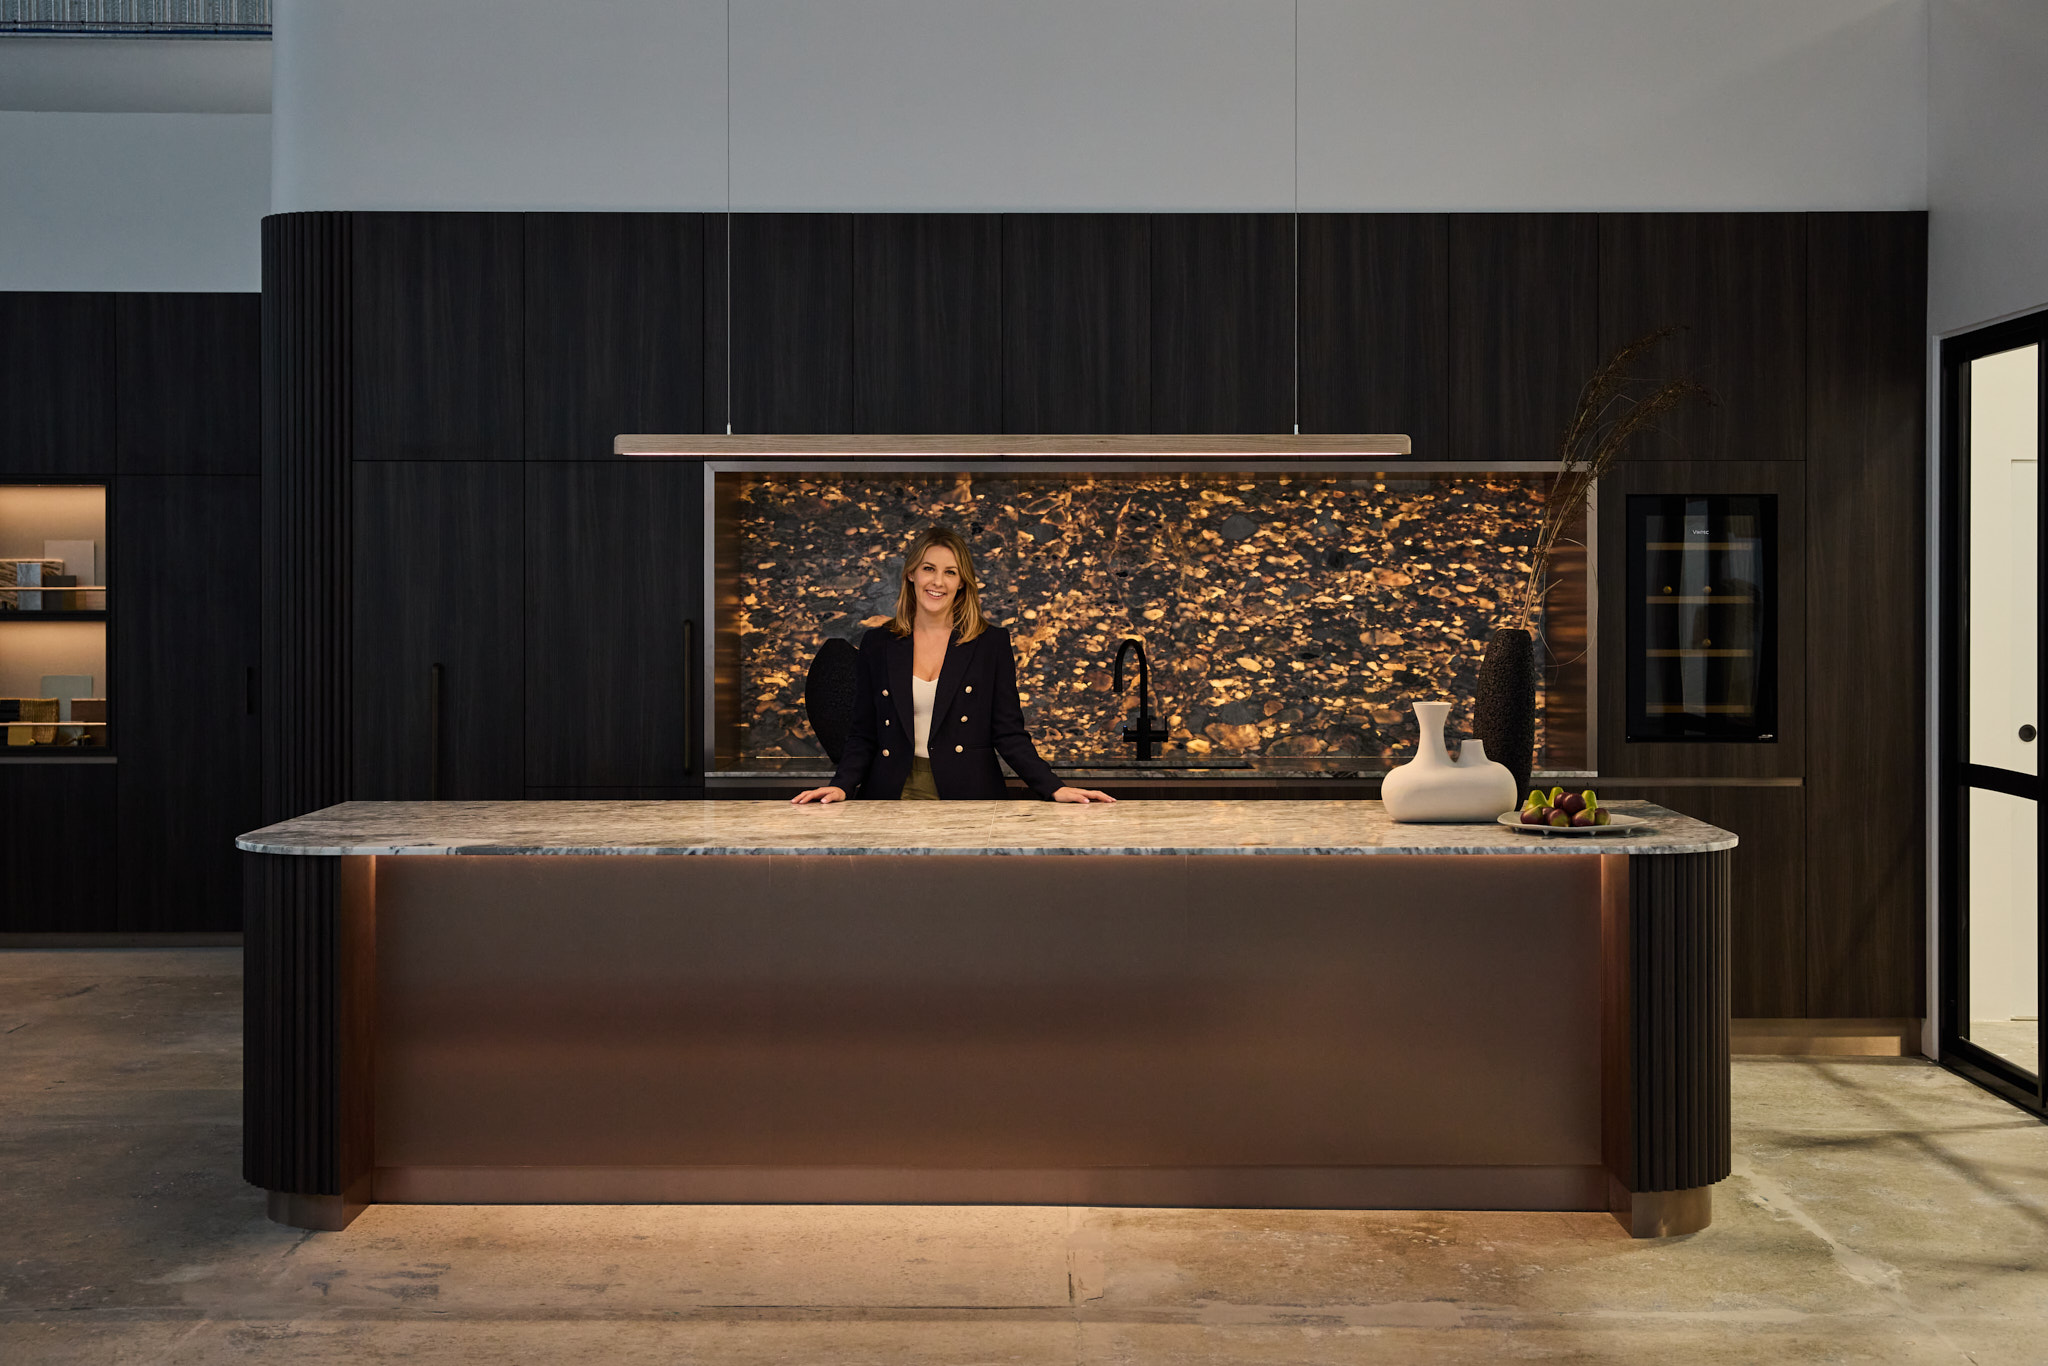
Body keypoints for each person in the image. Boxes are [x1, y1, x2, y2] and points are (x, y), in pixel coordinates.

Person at [792, 525, 1115, 805]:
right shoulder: (879, 643)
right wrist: (841, 786)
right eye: (929, 568)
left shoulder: (989, 643)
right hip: (890, 790)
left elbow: (1008, 732)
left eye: (951, 572)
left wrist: (1054, 788)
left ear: (962, 582)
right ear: (911, 573)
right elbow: (863, 733)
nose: (938, 581)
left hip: (970, 792)